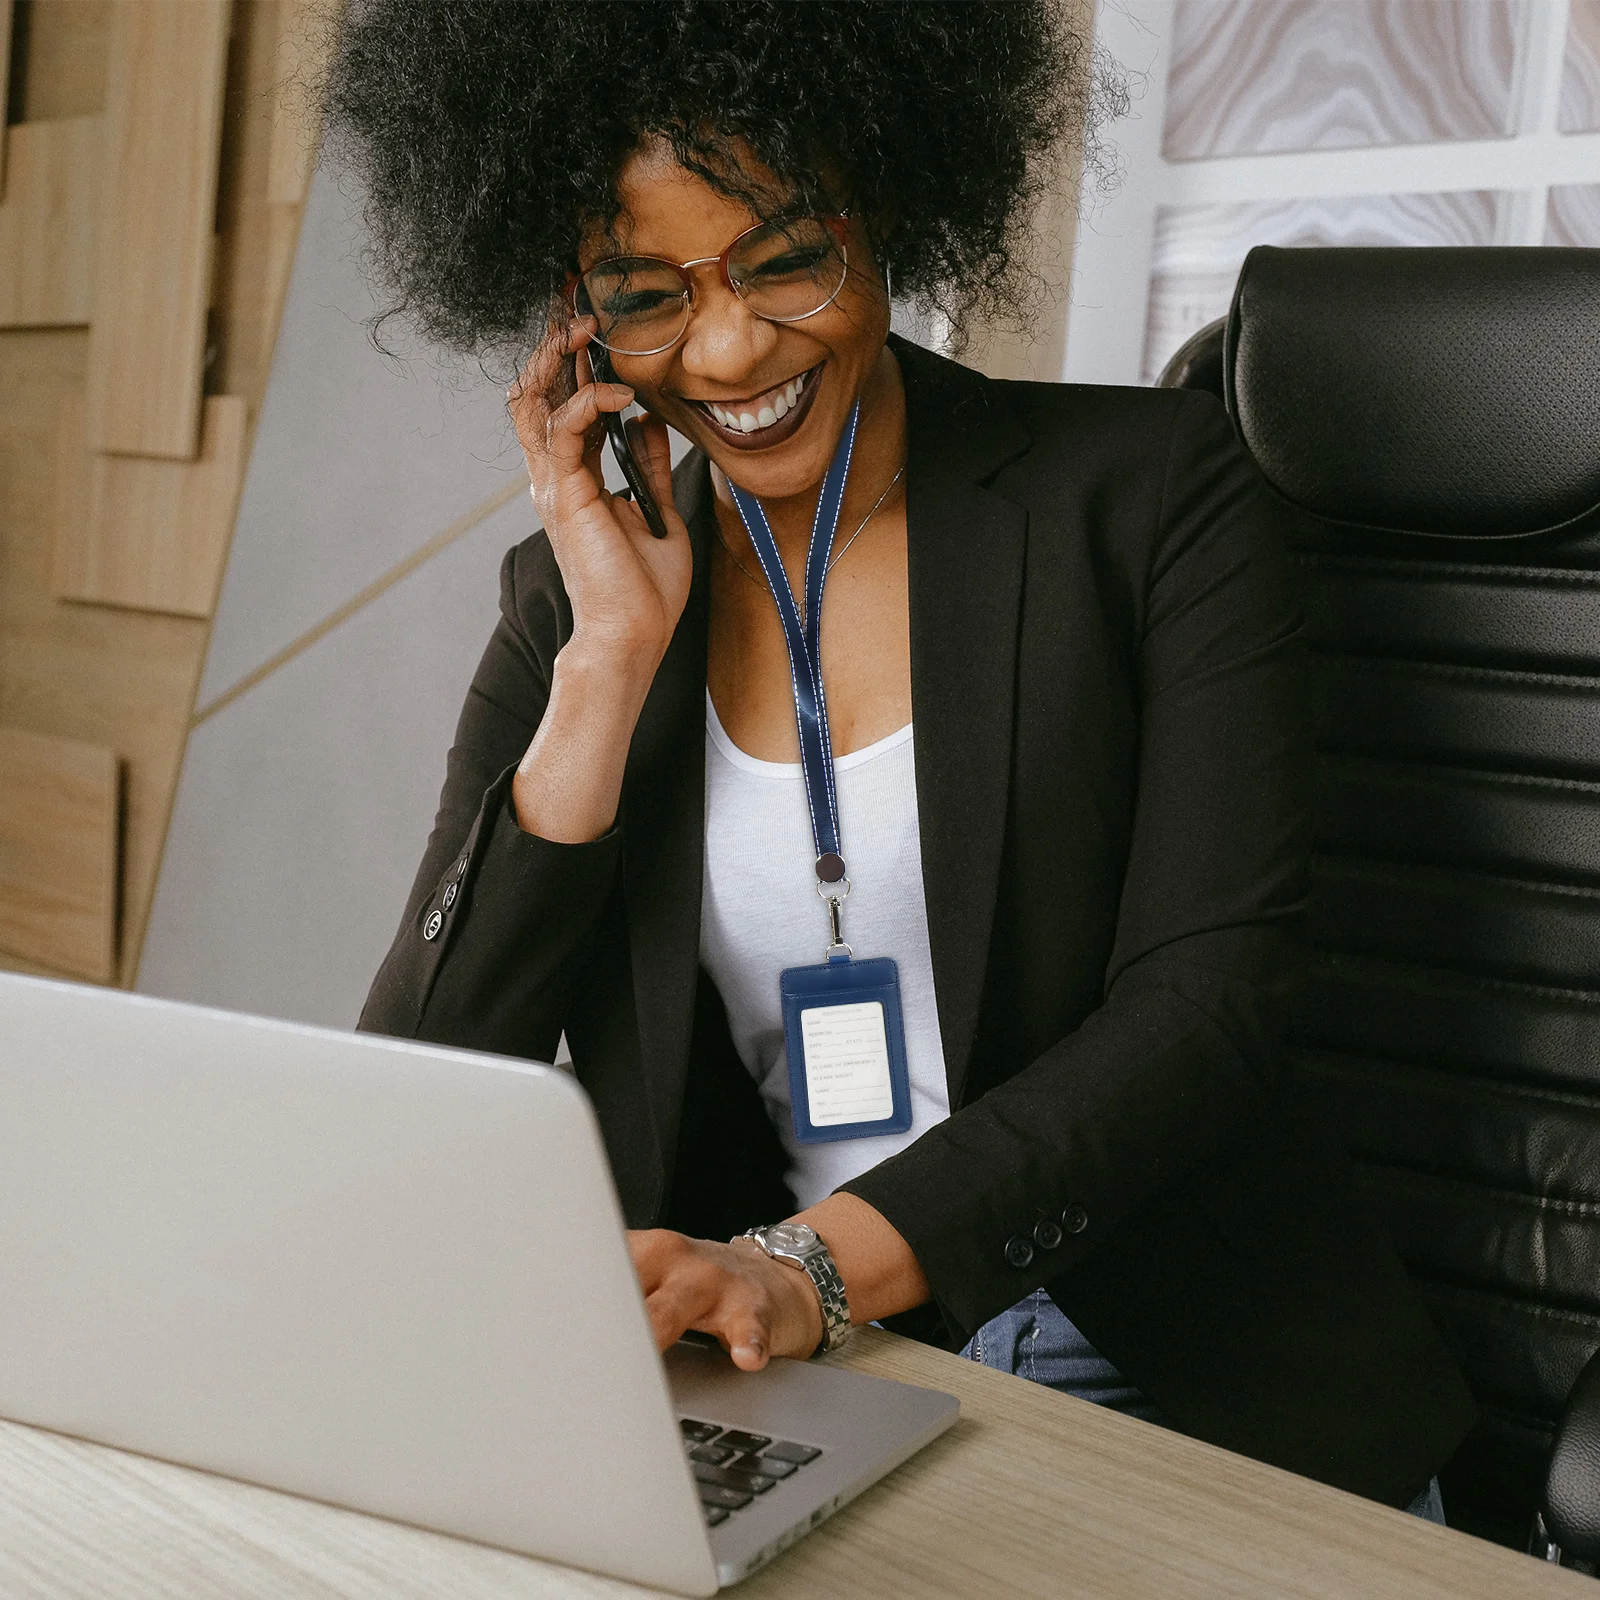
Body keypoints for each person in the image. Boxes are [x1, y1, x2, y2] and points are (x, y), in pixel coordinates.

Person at [331, 0, 1476, 1516]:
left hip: (1157, 1350)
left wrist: (809, 1269)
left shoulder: (1144, 502)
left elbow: (1211, 1006)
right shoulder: (575, 597)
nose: (730, 348)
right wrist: (606, 662)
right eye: (647, 295)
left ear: (889, 205)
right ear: (573, 310)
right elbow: (424, 1085)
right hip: (775, 1386)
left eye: (787, 258)